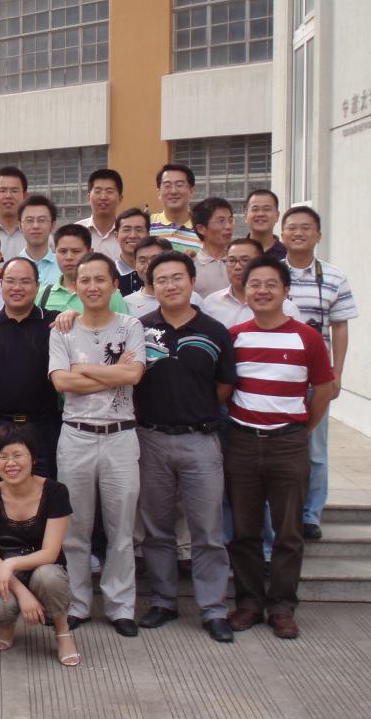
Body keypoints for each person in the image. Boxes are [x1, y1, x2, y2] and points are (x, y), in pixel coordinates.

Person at [224, 257, 333, 639]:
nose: (262, 291)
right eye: (254, 284)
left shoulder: (308, 338)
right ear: (245, 291)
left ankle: (283, 607)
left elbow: (323, 391)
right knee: (244, 530)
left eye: (271, 284)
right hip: (241, 441)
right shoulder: (235, 337)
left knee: (288, 532)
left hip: (288, 443)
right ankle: (249, 603)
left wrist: (300, 431)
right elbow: (226, 389)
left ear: (286, 291)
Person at [135, 250, 235, 643]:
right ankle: (163, 601)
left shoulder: (214, 331)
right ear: (152, 285)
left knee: (207, 530)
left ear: (192, 282)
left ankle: (213, 608)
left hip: (200, 441)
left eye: (177, 277)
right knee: (156, 529)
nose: (170, 285)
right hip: (151, 439)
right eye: (161, 279)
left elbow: (224, 385)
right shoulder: (140, 328)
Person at [49, 252, 145, 637]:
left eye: (100, 279)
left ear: (114, 285)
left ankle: (121, 606)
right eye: (85, 280)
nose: (92, 287)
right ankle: (77, 603)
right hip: (76, 435)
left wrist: (83, 369)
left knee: (121, 528)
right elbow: (61, 382)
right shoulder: (62, 330)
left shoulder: (131, 326)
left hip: (121, 436)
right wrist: (114, 372)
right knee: (75, 527)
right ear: (76, 286)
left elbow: (134, 375)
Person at [281, 206, 359, 541]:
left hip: (315, 379)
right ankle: (281, 512)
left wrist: (336, 372)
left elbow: (339, 327)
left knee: (315, 449)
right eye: (292, 227)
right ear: (282, 233)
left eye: (306, 228)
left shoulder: (334, 277)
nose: (298, 233)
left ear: (318, 235)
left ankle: (310, 515)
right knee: (280, 448)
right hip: (278, 377)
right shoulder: (271, 274)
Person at [0, 429, 78, 665]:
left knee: (48, 578)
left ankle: (62, 631)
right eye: (3, 457)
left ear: (33, 458)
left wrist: (10, 564)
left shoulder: (55, 492)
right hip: (6, 572)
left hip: (43, 566)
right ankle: (7, 624)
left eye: (17, 455)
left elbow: (50, 553)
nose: (10, 463)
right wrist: (22, 593)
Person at [0, 257, 60, 482]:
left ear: (37, 286)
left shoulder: (54, 323)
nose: (17, 288)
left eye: (25, 282)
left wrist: (72, 315)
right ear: (1, 284)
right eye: (10, 281)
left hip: (42, 427)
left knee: (43, 492)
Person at [203, 237, 303, 328]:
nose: (237, 267)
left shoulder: (286, 308)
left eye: (245, 260)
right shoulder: (210, 303)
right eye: (231, 260)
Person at [36, 224, 129, 314]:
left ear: (90, 252)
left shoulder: (109, 294)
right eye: (62, 251)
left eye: (76, 251)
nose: (69, 257)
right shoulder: (42, 295)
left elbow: (123, 324)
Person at [123, 237, 204, 317]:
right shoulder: (126, 303)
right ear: (135, 264)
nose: (149, 266)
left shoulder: (192, 298)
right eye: (142, 261)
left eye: (155, 259)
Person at [151, 164, 201, 254]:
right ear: (159, 193)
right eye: (167, 186)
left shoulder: (203, 229)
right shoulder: (147, 225)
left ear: (192, 191)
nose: (173, 191)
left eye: (179, 185)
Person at [75, 168, 123, 261]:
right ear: (88, 197)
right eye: (97, 191)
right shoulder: (76, 231)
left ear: (120, 198)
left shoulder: (127, 235)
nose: (103, 197)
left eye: (109, 192)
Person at [191, 197, 234, 298]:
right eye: (221, 221)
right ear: (201, 228)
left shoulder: (240, 263)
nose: (228, 226)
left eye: (231, 220)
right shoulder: (191, 266)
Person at [16, 195, 60, 286]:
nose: (35, 226)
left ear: (52, 225)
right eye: (29, 220)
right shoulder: (12, 268)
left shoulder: (63, 266)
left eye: (41, 220)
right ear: (20, 226)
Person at [0, 166, 28, 261]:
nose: (8, 196)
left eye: (14, 191)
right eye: (2, 191)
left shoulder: (39, 236)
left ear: (25, 197)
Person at [114, 208, 150, 296]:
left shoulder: (156, 274)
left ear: (148, 235)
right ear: (116, 236)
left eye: (139, 230)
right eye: (126, 230)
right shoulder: (108, 274)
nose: (133, 235)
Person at [244, 189, 286, 260]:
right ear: (245, 216)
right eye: (255, 209)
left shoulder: (288, 254)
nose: (260, 214)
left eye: (267, 209)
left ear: (277, 216)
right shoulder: (235, 253)